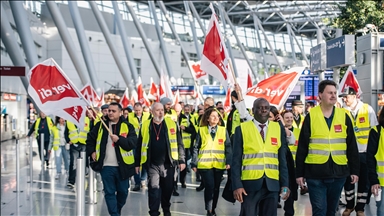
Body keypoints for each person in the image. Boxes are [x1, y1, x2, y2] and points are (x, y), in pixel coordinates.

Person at [295, 80, 360, 216]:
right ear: (320, 95)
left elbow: (352, 146)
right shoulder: (311, 117)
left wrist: (354, 170)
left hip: (339, 173)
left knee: (331, 211)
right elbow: (302, 147)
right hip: (315, 174)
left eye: (335, 93)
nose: (333, 95)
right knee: (319, 210)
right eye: (330, 93)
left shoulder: (344, 116)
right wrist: (299, 173)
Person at [231, 84, 290, 216]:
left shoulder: (277, 128)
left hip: (272, 184)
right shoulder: (242, 129)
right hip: (249, 185)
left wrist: (285, 184)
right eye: (260, 108)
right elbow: (236, 161)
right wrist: (237, 185)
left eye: (266, 108)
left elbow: (282, 159)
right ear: (253, 110)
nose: (264, 110)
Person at [135, 102, 186, 216]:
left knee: (168, 188)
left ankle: (166, 209)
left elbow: (179, 143)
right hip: (152, 164)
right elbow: (139, 145)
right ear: (152, 112)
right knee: (154, 189)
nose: (160, 112)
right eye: (157, 110)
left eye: (162, 110)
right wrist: (137, 163)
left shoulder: (171, 123)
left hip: (169, 163)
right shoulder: (145, 125)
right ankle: (153, 212)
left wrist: (182, 160)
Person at [87, 102, 137, 216]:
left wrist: (119, 140)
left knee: (123, 192)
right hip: (106, 166)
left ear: (120, 113)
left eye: (113, 111)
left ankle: (116, 211)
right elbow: (90, 140)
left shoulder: (128, 126)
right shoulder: (101, 125)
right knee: (109, 192)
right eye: (109, 110)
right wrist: (92, 152)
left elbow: (133, 143)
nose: (110, 113)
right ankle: (114, 214)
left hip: (123, 167)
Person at [340, 87, 378, 216]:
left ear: (355, 96)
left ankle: (360, 208)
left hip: (365, 152)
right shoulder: (342, 111)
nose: (344, 99)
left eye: (346, 97)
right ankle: (349, 206)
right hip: (348, 153)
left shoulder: (367, 109)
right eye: (343, 97)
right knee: (348, 180)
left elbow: (374, 131)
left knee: (364, 182)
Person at [191, 108, 232, 216]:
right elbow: (196, 147)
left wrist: (229, 161)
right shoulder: (201, 130)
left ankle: (213, 208)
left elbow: (228, 147)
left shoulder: (223, 130)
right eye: (212, 116)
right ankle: (209, 210)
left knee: (216, 187)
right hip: (204, 165)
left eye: (217, 116)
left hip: (219, 164)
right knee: (209, 185)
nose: (215, 118)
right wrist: (194, 163)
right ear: (207, 118)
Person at [129, 102, 151, 191]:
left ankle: (143, 180)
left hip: (145, 141)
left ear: (142, 109)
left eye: (139, 110)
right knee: (136, 163)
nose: (138, 112)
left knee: (145, 162)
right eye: (136, 110)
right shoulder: (130, 116)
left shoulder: (148, 115)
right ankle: (137, 182)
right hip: (134, 142)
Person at [367, 107, 384, 216]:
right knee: (382, 211)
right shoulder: (376, 132)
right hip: (381, 183)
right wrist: (374, 180)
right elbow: (370, 158)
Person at [65, 115, 91, 188]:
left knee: (84, 163)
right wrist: (68, 140)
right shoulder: (69, 120)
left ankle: (83, 180)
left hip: (84, 144)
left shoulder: (87, 119)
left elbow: (90, 131)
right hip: (74, 144)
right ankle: (71, 181)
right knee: (73, 163)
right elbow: (66, 132)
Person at [177, 104, 196, 188]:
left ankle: (183, 181)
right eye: (186, 109)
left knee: (188, 163)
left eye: (189, 109)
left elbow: (194, 130)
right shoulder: (180, 117)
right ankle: (178, 182)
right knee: (181, 163)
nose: (187, 110)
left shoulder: (193, 118)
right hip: (181, 144)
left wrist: (185, 128)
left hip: (190, 144)